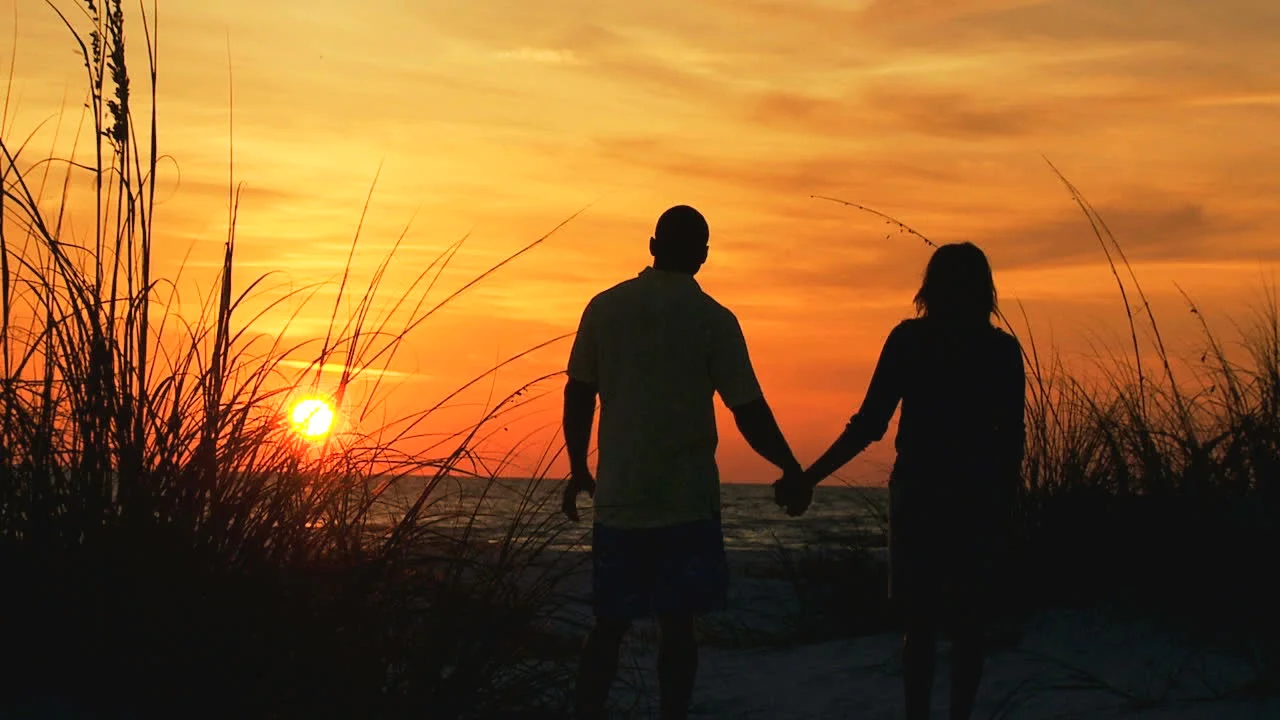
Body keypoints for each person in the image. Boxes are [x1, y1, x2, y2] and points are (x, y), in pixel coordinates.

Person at [562, 205, 804, 720]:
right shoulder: (714, 320)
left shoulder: (605, 308)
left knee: (609, 623)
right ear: (703, 256)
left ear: (652, 246)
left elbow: (579, 392)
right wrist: (790, 466)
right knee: (678, 625)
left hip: (620, 499)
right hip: (686, 502)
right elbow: (748, 410)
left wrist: (579, 466)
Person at [776, 242, 1025, 720]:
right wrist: (1005, 505)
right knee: (968, 624)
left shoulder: (910, 340)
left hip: (920, 493)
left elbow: (869, 425)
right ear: (985, 290)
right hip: (978, 498)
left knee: (922, 622)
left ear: (929, 288)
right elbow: (1012, 438)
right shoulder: (1000, 350)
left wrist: (809, 478)